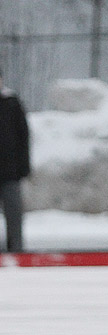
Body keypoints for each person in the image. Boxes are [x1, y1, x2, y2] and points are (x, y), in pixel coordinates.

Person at [0, 68, 30, 253]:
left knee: (14, 214)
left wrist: (23, 167)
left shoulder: (12, 103)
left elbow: (23, 136)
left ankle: (16, 251)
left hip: (10, 173)